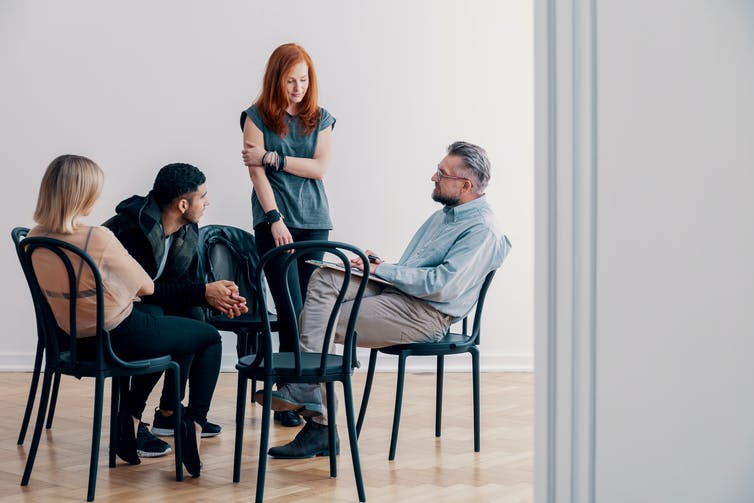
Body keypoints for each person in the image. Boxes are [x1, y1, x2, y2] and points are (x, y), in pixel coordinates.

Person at [256, 141, 512, 458]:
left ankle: (319, 418)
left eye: (441, 173)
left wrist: (386, 271)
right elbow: (417, 268)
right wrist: (377, 265)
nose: (434, 177)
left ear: (466, 184)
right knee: (324, 278)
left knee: (320, 319)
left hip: (424, 313)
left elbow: (442, 286)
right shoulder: (446, 215)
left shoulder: (482, 229)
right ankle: (313, 393)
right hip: (400, 293)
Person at [29, 155, 240, 476]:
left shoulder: (34, 239)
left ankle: (139, 419)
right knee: (208, 336)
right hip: (119, 334)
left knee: (181, 324)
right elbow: (145, 287)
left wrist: (207, 295)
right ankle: (193, 424)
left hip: (75, 340)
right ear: (83, 194)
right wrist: (203, 292)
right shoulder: (96, 238)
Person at [103, 163, 247, 457]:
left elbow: (183, 285)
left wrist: (218, 298)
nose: (207, 202)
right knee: (163, 318)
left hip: (147, 309)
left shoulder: (184, 230)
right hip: (116, 317)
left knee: (193, 318)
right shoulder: (132, 229)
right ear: (183, 204)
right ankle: (129, 417)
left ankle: (171, 414)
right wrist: (203, 293)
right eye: (202, 196)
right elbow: (142, 291)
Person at [240, 42, 336, 427]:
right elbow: (255, 173)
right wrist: (274, 217)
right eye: (290, 80)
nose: (298, 87)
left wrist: (274, 157)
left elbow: (320, 169)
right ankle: (291, 392)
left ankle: (299, 394)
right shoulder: (255, 117)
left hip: (315, 222)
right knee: (289, 309)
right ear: (275, 79)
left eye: (304, 79)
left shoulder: (321, 118)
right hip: (275, 223)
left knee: (308, 314)